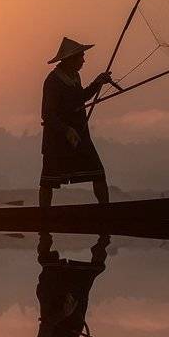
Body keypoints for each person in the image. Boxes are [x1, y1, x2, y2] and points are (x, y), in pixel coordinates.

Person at [39, 37, 117, 209]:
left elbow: (79, 98)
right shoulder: (53, 81)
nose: (83, 60)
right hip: (57, 139)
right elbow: (47, 114)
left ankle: (106, 211)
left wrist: (98, 83)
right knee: (48, 181)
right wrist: (66, 130)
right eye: (80, 56)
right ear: (69, 60)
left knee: (98, 173)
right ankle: (43, 216)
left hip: (79, 135)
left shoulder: (75, 77)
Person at [34, 232, 112, 337]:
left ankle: (44, 232)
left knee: (50, 264)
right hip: (74, 305)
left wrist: (65, 312)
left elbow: (48, 324)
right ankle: (104, 239)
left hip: (56, 298)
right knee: (95, 269)